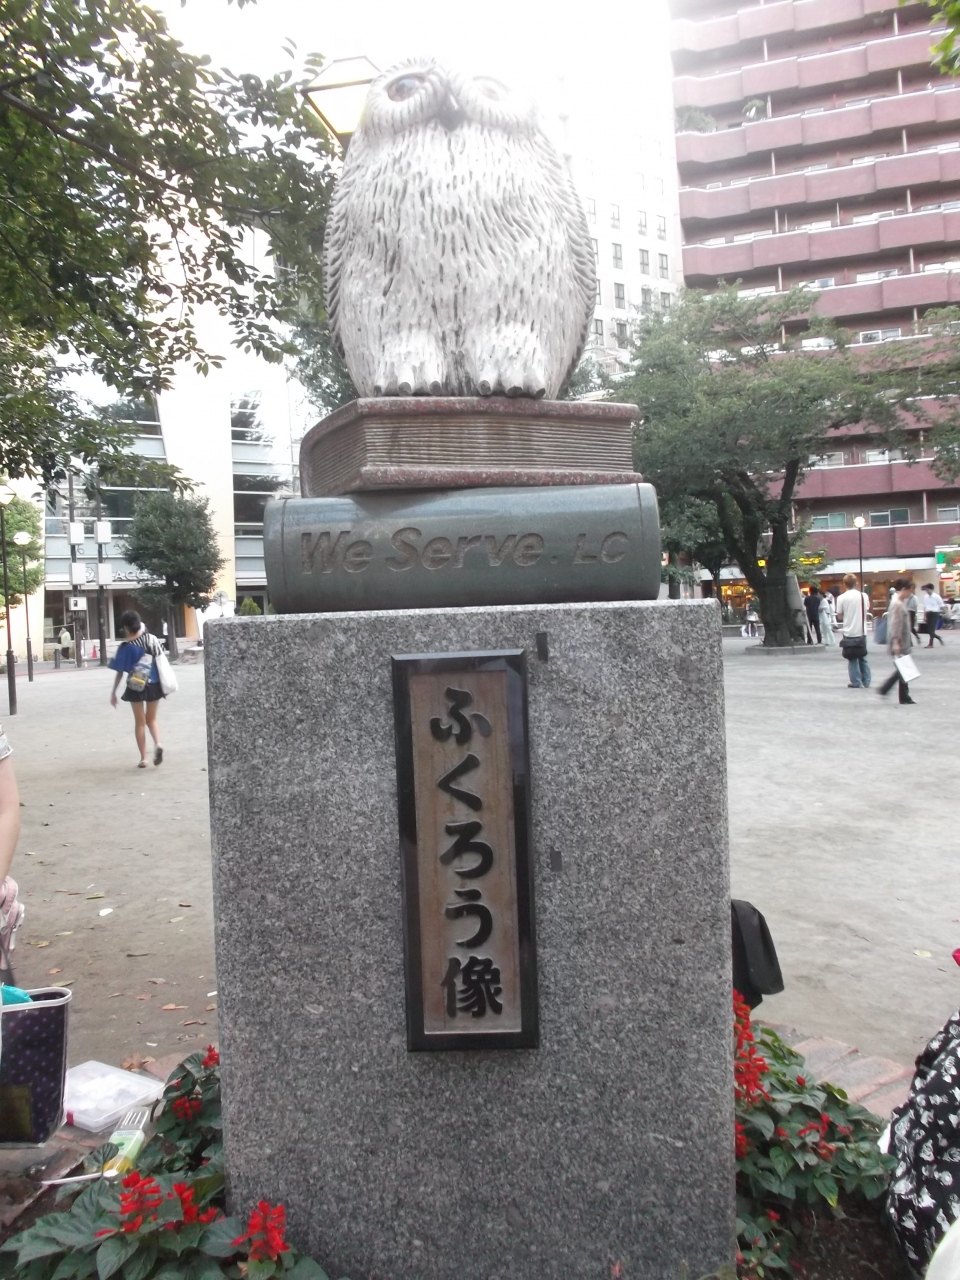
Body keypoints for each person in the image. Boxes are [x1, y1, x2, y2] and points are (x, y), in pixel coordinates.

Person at [108, 611, 165, 768]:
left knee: (140, 723)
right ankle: (158, 743)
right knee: (151, 719)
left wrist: (113, 692)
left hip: (135, 685)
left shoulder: (126, 647)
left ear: (126, 627)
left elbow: (120, 671)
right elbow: (161, 660)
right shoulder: (151, 639)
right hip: (154, 683)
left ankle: (143, 759)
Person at [878, 578, 916, 705]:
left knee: (903, 668)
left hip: (901, 640)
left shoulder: (898, 602)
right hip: (900, 641)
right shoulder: (897, 604)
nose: (910, 594)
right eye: (910, 591)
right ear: (904, 589)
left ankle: (902, 695)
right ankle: (888, 689)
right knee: (902, 668)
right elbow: (895, 624)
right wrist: (895, 641)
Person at [835, 573, 871, 688]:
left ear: (844, 584)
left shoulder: (841, 598)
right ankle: (866, 680)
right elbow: (866, 609)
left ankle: (856, 681)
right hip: (862, 631)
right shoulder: (863, 596)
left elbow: (839, 615)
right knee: (863, 657)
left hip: (848, 632)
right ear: (856, 583)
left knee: (852, 658)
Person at [920, 583, 945, 647]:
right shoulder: (925, 597)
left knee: (931, 629)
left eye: (928, 590)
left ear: (932, 589)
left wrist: (944, 613)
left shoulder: (937, 597)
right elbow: (925, 607)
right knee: (928, 629)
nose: (927, 591)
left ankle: (931, 643)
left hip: (935, 613)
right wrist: (924, 616)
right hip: (928, 613)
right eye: (926, 590)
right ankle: (937, 638)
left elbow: (942, 605)